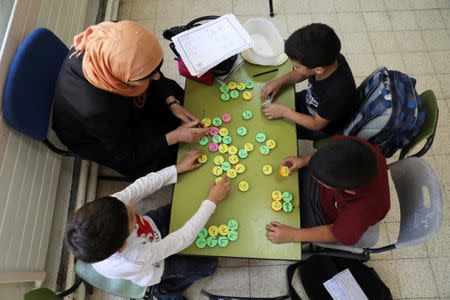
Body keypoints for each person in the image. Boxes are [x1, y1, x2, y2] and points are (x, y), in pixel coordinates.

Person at [64, 150, 231, 300]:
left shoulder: (111, 208)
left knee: (186, 209)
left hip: (150, 228)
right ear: (122, 245)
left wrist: (176, 168)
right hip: (155, 266)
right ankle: (165, 290)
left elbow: (141, 187)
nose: (130, 205)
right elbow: (182, 238)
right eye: (131, 216)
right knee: (210, 264)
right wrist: (211, 201)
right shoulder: (134, 257)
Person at [52, 21, 209, 178]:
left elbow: (151, 70)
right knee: (166, 153)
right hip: (101, 138)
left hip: (113, 107)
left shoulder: (117, 36)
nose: (157, 76)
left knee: (169, 91)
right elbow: (128, 154)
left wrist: (171, 102)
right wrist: (174, 137)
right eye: (147, 76)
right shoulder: (96, 109)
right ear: (122, 78)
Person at [266, 136, 390, 246]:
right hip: (328, 190)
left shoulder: (363, 210)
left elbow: (335, 233)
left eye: (321, 181)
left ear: (349, 191)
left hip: (323, 214)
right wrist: (304, 161)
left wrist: (293, 235)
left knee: (283, 222)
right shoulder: (355, 147)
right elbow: (326, 152)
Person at [261, 23, 360, 140]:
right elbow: (302, 73)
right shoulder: (330, 59)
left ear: (318, 69)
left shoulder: (336, 94)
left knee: (275, 129)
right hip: (311, 102)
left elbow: (316, 125)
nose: (294, 68)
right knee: (275, 104)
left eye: (297, 66)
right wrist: (280, 81)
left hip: (321, 125)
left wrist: (284, 112)